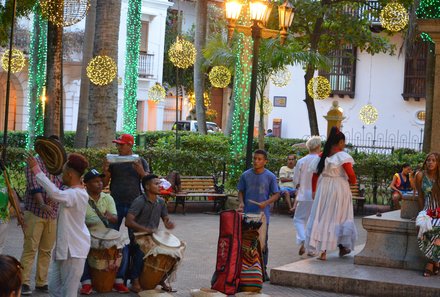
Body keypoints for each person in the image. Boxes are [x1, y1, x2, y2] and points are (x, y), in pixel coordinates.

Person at [26, 153, 90, 297]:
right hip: (64, 250)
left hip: (74, 251)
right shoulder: (70, 192)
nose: (61, 174)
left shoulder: (77, 194)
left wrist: (37, 170)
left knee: (69, 293)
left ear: (70, 174)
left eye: (63, 171)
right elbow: (58, 195)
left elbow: (55, 194)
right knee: (55, 290)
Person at [102, 134, 149, 284]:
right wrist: (106, 170)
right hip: (115, 203)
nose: (119, 147)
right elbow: (103, 184)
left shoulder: (139, 160)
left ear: (130, 145)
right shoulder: (114, 160)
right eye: (118, 145)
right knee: (111, 239)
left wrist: (141, 170)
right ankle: (110, 276)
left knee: (136, 242)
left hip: (134, 205)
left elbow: (149, 182)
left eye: (122, 145)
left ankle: (133, 277)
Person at [305, 127, 357, 261]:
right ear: (340, 142)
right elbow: (351, 175)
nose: (344, 145)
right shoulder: (342, 156)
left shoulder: (321, 156)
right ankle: (342, 246)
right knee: (340, 217)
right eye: (344, 142)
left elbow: (315, 176)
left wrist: (314, 191)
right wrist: (352, 182)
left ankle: (323, 251)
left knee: (323, 217)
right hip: (339, 188)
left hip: (324, 188)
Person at [79, 169, 129, 294]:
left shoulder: (108, 198)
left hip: (106, 234)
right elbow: (78, 220)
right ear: (87, 184)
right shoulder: (81, 198)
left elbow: (115, 218)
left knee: (125, 247)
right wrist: (89, 221)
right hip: (87, 233)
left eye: (100, 181)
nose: (100, 184)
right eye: (95, 182)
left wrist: (109, 217)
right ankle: (86, 282)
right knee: (81, 247)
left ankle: (118, 280)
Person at [20, 148, 62, 295]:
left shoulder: (58, 165)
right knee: (30, 248)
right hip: (34, 212)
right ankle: (24, 282)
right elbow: (34, 185)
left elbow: (61, 184)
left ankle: (41, 282)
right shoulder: (34, 161)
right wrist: (42, 204)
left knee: (46, 250)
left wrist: (52, 200)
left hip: (52, 214)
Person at [125, 174, 175, 293]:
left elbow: (165, 217)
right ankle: (135, 281)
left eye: (160, 183)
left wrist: (168, 222)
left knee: (174, 252)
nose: (160, 186)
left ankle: (161, 279)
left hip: (153, 236)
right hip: (138, 236)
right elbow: (128, 221)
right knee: (141, 249)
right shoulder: (139, 201)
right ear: (147, 187)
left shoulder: (161, 201)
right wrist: (145, 230)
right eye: (156, 184)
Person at [237, 149, 280, 281]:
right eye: (255, 158)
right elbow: (240, 191)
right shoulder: (245, 175)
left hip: (262, 216)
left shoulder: (270, 176)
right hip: (247, 215)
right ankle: (245, 269)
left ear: (265, 161)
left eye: (259, 159)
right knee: (245, 243)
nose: (256, 161)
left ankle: (263, 270)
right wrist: (241, 203)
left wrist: (266, 202)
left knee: (262, 244)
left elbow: (277, 194)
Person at [292, 136, 321, 256]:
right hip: (317, 194)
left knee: (298, 219)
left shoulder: (301, 161)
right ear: (318, 147)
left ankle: (303, 239)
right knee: (313, 221)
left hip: (304, 194)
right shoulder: (321, 160)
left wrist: (297, 187)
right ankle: (312, 249)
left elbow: (295, 179)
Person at [415, 152, 440, 277]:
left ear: (438, 163)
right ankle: (436, 262)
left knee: (438, 228)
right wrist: (421, 213)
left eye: (434, 160)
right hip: (427, 210)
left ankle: (431, 262)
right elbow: (420, 196)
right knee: (423, 227)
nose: (430, 162)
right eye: (428, 160)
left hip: (439, 210)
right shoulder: (420, 175)